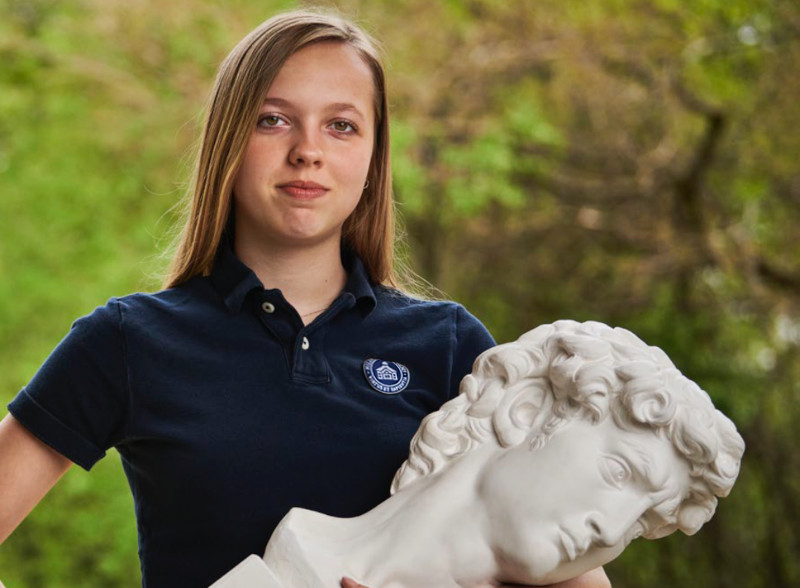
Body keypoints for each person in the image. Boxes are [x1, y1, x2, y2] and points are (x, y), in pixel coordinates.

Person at [0, 9, 607, 588]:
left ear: (373, 157)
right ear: (228, 144)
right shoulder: (129, 341)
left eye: (341, 125)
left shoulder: (451, 348)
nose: (308, 150)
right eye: (273, 119)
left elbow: (576, 577)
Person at [212, 320, 743, 587]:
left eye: (639, 523)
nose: (611, 530)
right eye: (618, 471)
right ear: (526, 409)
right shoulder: (294, 564)